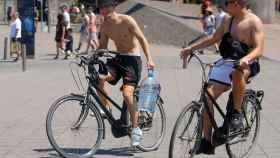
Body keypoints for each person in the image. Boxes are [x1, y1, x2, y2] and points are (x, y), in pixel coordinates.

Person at [180, 0, 264, 154]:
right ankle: (206, 142)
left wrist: (246, 59)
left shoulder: (254, 22)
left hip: (247, 62)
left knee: (238, 71)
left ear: (237, 4)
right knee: (207, 96)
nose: (224, 5)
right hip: (227, 61)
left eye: (227, 2)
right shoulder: (227, 20)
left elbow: (259, 49)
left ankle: (237, 114)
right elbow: (213, 39)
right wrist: (190, 48)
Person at [97, 0, 155, 146]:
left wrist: (150, 59)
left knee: (127, 94)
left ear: (113, 7)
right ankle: (106, 108)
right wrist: (92, 55)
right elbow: (103, 47)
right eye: (101, 7)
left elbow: (142, 39)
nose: (103, 10)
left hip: (132, 61)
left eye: (105, 6)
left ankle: (136, 129)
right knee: (100, 78)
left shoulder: (127, 20)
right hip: (118, 59)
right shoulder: (104, 26)